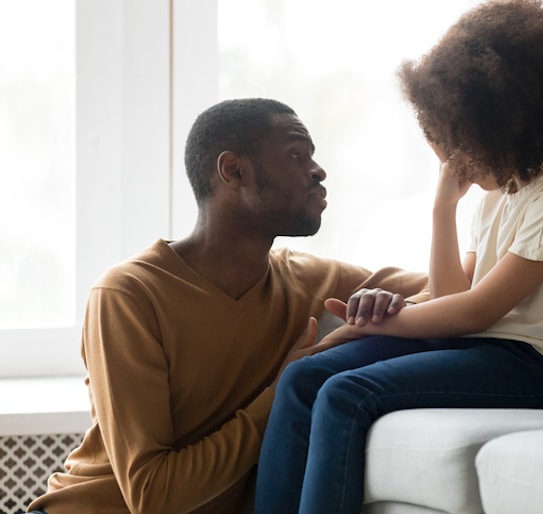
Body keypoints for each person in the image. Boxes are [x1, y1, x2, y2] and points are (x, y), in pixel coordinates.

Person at [252, 1, 543, 513]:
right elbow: (453, 297)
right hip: (486, 348)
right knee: (302, 380)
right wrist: (443, 208)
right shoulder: (505, 193)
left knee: (347, 395)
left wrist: (382, 324)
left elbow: (475, 311)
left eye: (461, 148)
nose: (455, 163)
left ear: (502, 127)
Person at [27, 98, 428, 514]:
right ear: (233, 170)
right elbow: (154, 497)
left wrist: (390, 305)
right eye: (296, 154)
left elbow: (457, 292)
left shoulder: (313, 281)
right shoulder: (129, 296)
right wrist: (284, 389)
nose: (318, 170)